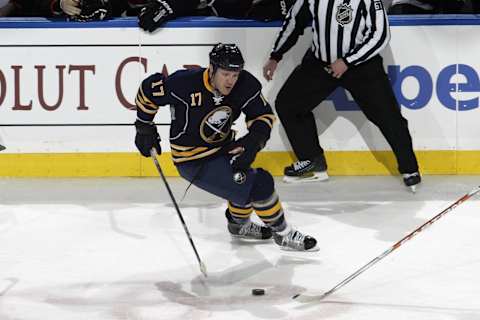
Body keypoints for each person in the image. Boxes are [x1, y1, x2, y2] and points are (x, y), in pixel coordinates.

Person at [133, 43, 318, 251]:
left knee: (242, 176)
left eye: (235, 74)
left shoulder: (245, 84)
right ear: (211, 69)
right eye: (225, 74)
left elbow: (263, 116)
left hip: (224, 148)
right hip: (192, 160)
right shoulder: (185, 83)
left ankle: (239, 225)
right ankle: (283, 233)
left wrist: (252, 142)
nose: (231, 81)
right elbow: (148, 90)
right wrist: (144, 126)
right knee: (260, 184)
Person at [263, 0, 421, 191]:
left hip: (361, 67)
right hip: (321, 64)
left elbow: (380, 35)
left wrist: (348, 61)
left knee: (389, 116)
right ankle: (312, 161)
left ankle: (409, 168)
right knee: (288, 104)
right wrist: (275, 56)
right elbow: (294, 22)